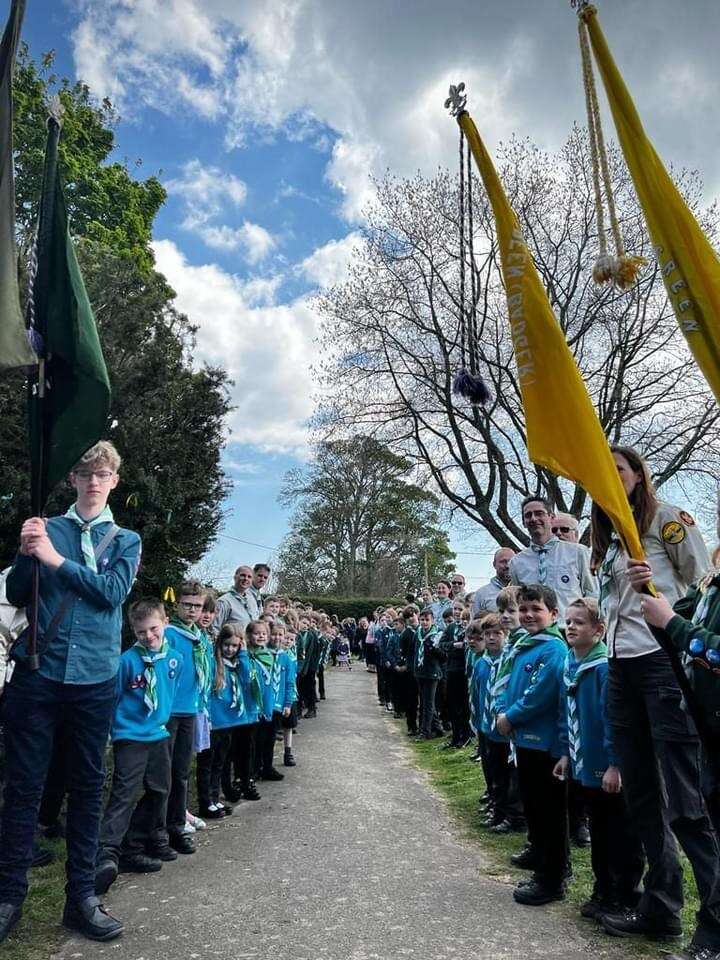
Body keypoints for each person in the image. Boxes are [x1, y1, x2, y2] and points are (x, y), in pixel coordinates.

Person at [0, 441, 141, 944]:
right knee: (22, 787)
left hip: (95, 681)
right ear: (73, 480)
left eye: (103, 473)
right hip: (38, 675)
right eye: (85, 472)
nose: (94, 480)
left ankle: (80, 898)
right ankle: (8, 896)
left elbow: (110, 595)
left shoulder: (126, 540)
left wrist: (55, 559)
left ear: (114, 481)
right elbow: (17, 594)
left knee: (86, 789)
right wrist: (24, 552)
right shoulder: (47, 527)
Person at [593, 446, 720, 955]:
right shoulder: (604, 535)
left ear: (638, 475)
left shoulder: (668, 521)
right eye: (602, 473)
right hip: (621, 665)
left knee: (687, 802)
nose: (610, 478)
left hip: (666, 664)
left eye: (618, 469)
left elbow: (701, 581)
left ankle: (714, 923)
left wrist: (671, 607)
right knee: (641, 794)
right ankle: (661, 907)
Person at [554, 597, 643, 922]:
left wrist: (615, 764)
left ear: (599, 629)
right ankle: (602, 890)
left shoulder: (604, 668)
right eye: (569, 621)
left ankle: (625, 896)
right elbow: (567, 715)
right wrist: (566, 752)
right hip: (583, 765)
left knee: (619, 833)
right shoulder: (571, 664)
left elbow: (614, 721)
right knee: (600, 834)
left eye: (579, 622)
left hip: (607, 769)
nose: (571, 627)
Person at [94, 599, 183, 894]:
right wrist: (110, 734)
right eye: (141, 631)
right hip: (130, 736)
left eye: (154, 628)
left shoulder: (174, 659)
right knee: (124, 794)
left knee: (160, 790)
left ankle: (134, 846)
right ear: (132, 629)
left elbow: (168, 694)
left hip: (158, 734)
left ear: (165, 623)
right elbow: (113, 699)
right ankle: (106, 854)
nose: (149, 636)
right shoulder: (126, 662)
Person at [495, 583, 569, 906]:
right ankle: (540, 855)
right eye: (523, 609)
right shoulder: (525, 645)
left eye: (536, 609)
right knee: (534, 805)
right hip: (525, 741)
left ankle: (552, 876)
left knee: (549, 810)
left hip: (545, 744)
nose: (527, 615)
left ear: (553, 614)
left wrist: (511, 716)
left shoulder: (553, 648)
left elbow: (540, 693)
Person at [161, 580, 213, 857]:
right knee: (162, 774)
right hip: (168, 713)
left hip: (191, 711)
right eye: (188, 605)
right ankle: (158, 830)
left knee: (181, 772)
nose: (193, 611)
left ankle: (176, 825)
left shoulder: (201, 637)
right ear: (177, 604)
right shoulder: (168, 634)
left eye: (198, 606)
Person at [510, 496, 596, 625]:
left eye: (539, 513)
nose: (533, 518)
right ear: (523, 522)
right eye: (528, 515)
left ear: (551, 517)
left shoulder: (578, 553)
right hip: (533, 634)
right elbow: (517, 603)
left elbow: (592, 594)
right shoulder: (517, 562)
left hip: (569, 631)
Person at [198, 625, 251, 819]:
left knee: (220, 763)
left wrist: (244, 654)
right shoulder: (213, 664)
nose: (230, 649)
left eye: (235, 646)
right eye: (227, 645)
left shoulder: (236, 665)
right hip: (213, 723)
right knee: (207, 763)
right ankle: (206, 801)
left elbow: (248, 679)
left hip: (229, 722)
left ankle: (214, 796)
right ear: (220, 644)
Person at [248, 620, 285, 782]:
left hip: (270, 703)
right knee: (256, 739)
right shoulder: (248, 654)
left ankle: (267, 767)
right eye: (257, 633)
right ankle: (254, 770)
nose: (262, 636)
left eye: (264, 634)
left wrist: (286, 702)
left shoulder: (271, 656)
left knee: (269, 738)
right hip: (254, 704)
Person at [439, 603, 471, 748]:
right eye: (455, 609)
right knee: (452, 703)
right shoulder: (451, 628)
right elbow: (442, 644)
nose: (457, 612)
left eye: (460, 609)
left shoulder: (470, 628)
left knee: (464, 705)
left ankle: (465, 736)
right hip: (452, 669)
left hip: (465, 671)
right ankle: (455, 735)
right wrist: (454, 645)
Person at [414, 608, 444, 739]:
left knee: (428, 703)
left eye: (427, 620)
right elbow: (414, 651)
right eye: (422, 620)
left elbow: (443, 656)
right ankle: (438, 728)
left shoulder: (436, 634)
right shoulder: (418, 633)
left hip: (432, 672)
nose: (424, 622)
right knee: (425, 701)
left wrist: (433, 647)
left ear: (432, 621)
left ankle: (425, 731)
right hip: (420, 671)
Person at [214, 566, 260, 634]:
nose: (246, 579)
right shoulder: (224, 602)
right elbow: (214, 628)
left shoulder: (252, 600)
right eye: (242, 575)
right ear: (235, 577)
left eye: (249, 577)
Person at [472, 548, 516, 616]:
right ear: (494, 564)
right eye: (503, 561)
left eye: (511, 561)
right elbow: (474, 623)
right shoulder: (481, 594)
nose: (507, 565)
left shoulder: (523, 590)